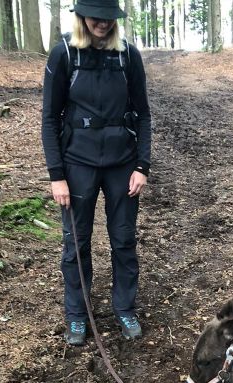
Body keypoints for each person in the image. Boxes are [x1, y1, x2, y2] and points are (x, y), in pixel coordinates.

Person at [41, 0, 151, 345]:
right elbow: (49, 118)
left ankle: (125, 308)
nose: (102, 23)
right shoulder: (64, 55)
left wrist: (141, 166)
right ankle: (77, 314)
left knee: (123, 240)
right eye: (95, 17)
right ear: (82, 16)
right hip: (77, 164)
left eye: (108, 18)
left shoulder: (128, 56)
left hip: (122, 164)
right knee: (75, 244)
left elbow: (143, 114)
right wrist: (56, 175)